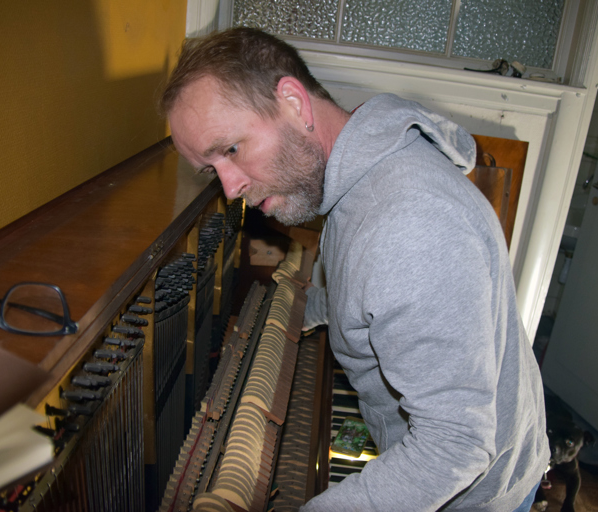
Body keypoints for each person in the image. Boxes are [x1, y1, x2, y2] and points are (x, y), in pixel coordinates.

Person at [161, 27, 549, 512]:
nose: (230, 187)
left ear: (295, 104)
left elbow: (453, 447)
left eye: (232, 150)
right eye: (210, 169)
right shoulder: (360, 168)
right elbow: (368, 291)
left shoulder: (408, 224)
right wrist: (290, 312)